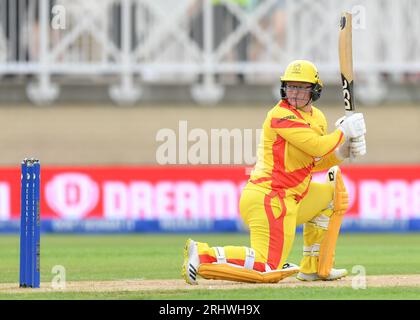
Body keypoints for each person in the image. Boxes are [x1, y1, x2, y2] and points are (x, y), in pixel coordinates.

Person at [182, 60, 367, 284]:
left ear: (315, 90)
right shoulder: (281, 115)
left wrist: (342, 152)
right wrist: (343, 132)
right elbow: (316, 146)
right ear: (283, 88)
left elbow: (311, 162)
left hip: (292, 199)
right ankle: (203, 254)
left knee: (332, 198)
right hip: (269, 198)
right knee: (267, 267)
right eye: (291, 87)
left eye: (302, 87)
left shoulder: (317, 117)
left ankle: (315, 267)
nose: (296, 93)